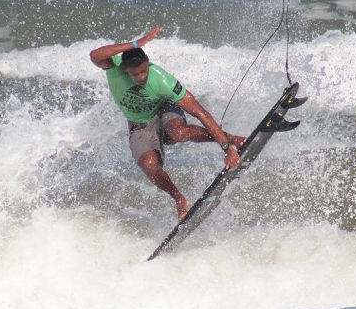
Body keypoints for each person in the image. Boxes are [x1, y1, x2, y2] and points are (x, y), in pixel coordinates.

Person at [90, 25, 246, 221]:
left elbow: (200, 112)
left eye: (144, 71)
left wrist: (226, 148)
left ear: (148, 63)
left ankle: (229, 139)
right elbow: (95, 55)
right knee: (149, 166)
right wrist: (137, 43)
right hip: (140, 123)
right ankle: (179, 199)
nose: (142, 77)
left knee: (178, 133)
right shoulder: (113, 69)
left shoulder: (162, 80)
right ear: (124, 70)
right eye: (136, 74)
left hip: (164, 108)